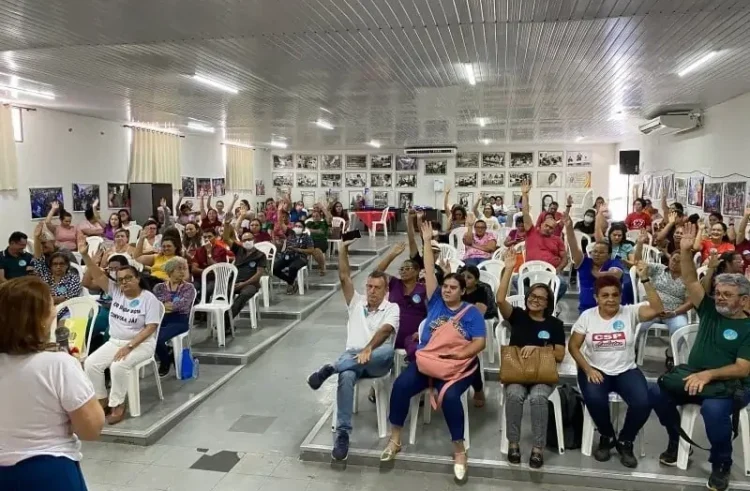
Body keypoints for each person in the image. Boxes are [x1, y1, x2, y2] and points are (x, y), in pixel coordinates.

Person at [648, 223, 750, 491]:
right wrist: (684, 251)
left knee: (713, 411)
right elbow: (691, 280)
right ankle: (675, 440)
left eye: (728, 295)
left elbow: (742, 369)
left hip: (729, 384)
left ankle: (721, 463)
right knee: (657, 393)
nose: (720, 298)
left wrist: (708, 374)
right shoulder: (709, 309)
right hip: (695, 376)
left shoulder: (748, 327)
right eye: (719, 293)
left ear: (744, 300)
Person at [381, 221, 485, 481]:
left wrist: (461, 355)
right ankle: (395, 439)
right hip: (428, 362)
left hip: (456, 368)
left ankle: (459, 450)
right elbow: (429, 269)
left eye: (453, 288)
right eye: (445, 287)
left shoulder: (471, 313)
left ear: (462, 291)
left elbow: (479, 343)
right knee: (401, 385)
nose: (448, 290)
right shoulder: (436, 302)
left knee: (450, 399)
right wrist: (426, 241)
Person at [0, 276, 105, 490]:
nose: (56, 310)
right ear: (39, 319)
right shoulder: (58, 365)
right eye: (51, 305)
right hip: (48, 471)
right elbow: (91, 429)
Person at [306, 239, 399, 461]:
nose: (372, 291)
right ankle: (343, 434)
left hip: (377, 359)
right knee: (346, 376)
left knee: (387, 352)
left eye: (377, 288)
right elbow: (344, 277)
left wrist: (368, 349)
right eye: (369, 286)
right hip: (353, 358)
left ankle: (332, 368)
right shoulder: (356, 303)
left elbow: (386, 331)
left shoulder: (392, 308)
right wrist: (342, 250)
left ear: (386, 290)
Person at [568, 269, 664, 469]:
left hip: (626, 370)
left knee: (643, 402)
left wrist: (645, 279)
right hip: (595, 368)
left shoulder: (630, 312)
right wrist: (587, 370)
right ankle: (606, 435)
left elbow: (657, 308)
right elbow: (573, 346)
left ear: (621, 296)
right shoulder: (587, 316)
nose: (610, 299)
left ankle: (625, 440)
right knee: (594, 399)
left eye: (615, 295)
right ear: (596, 297)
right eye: (605, 295)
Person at [80, 242, 163, 425]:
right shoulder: (116, 291)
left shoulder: (149, 300)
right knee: (91, 364)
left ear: (138, 278)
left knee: (118, 366)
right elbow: (97, 275)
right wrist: (85, 256)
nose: (124, 282)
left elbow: (151, 328)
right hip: (115, 341)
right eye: (120, 279)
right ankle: (101, 400)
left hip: (142, 344)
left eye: (128, 278)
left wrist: (129, 346)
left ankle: (117, 404)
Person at [497, 248, 565, 468]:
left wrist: (537, 349)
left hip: (542, 375)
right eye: (532, 296)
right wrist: (509, 269)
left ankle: (538, 448)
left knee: (538, 398)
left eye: (541, 299)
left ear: (548, 303)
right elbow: (499, 300)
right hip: (516, 371)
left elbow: (560, 354)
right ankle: (513, 443)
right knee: (515, 394)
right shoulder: (517, 316)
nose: (535, 301)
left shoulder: (554, 325)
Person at [564, 215, 628, 312]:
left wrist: (598, 274)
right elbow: (573, 245)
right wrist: (569, 228)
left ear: (609, 255)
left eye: (601, 252)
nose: (597, 254)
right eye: (595, 252)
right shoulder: (584, 262)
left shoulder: (614, 262)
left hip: (611, 310)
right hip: (587, 310)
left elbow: (615, 275)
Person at [519, 181, 569, 299]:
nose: (548, 229)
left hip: (550, 272)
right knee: (517, 280)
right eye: (546, 226)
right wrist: (525, 195)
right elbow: (525, 212)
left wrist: (558, 269)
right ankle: (530, 302)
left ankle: (549, 307)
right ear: (541, 224)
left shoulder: (557, 240)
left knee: (562, 284)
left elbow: (565, 258)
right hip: (531, 271)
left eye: (552, 228)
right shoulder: (531, 232)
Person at [152, 257, 196, 377]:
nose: (182, 272)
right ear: (170, 271)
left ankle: (165, 362)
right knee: (150, 335)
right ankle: (168, 354)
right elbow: (157, 305)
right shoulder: (159, 287)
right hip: (162, 318)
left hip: (180, 320)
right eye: (179, 269)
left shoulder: (188, 288)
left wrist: (168, 306)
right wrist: (168, 306)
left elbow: (183, 305)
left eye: (184, 269)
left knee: (158, 338)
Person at [221, 216, 267, 321]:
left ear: (253, 240)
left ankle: (226, 320)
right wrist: (227, 225)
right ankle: (221, 319)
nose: (247, 242)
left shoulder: (260, 255)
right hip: (234, 282)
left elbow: (258, 275)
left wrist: (243, 284)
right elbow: (225, 239)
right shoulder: (239, 250)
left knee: (244, 295)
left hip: (250, 284)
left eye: (249, 239)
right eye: (244, 240)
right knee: (223, 293)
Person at [274, 220, 314, 294]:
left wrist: (298, 249)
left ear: (303, 229)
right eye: (296, 226)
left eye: (299, 226)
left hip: (301, 257)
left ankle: (290, 284)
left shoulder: (306, 237)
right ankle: (291, 282)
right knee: (274, 268)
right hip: (288, 256)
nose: (297, 228)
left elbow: (311, 250)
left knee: (292, 267)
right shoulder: (290, 236)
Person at [304, 207, 330, 276]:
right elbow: (304, 228)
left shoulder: (324, 222)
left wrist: (323, 207)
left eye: (317, 216)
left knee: (317, 250)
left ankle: (322, 267)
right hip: (310, 242)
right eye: (313, 216)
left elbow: (329, 217)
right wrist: (316, 231)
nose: (315, 217)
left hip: (321, 242)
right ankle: (322, 267)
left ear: (320, 216)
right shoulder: (309, 223)